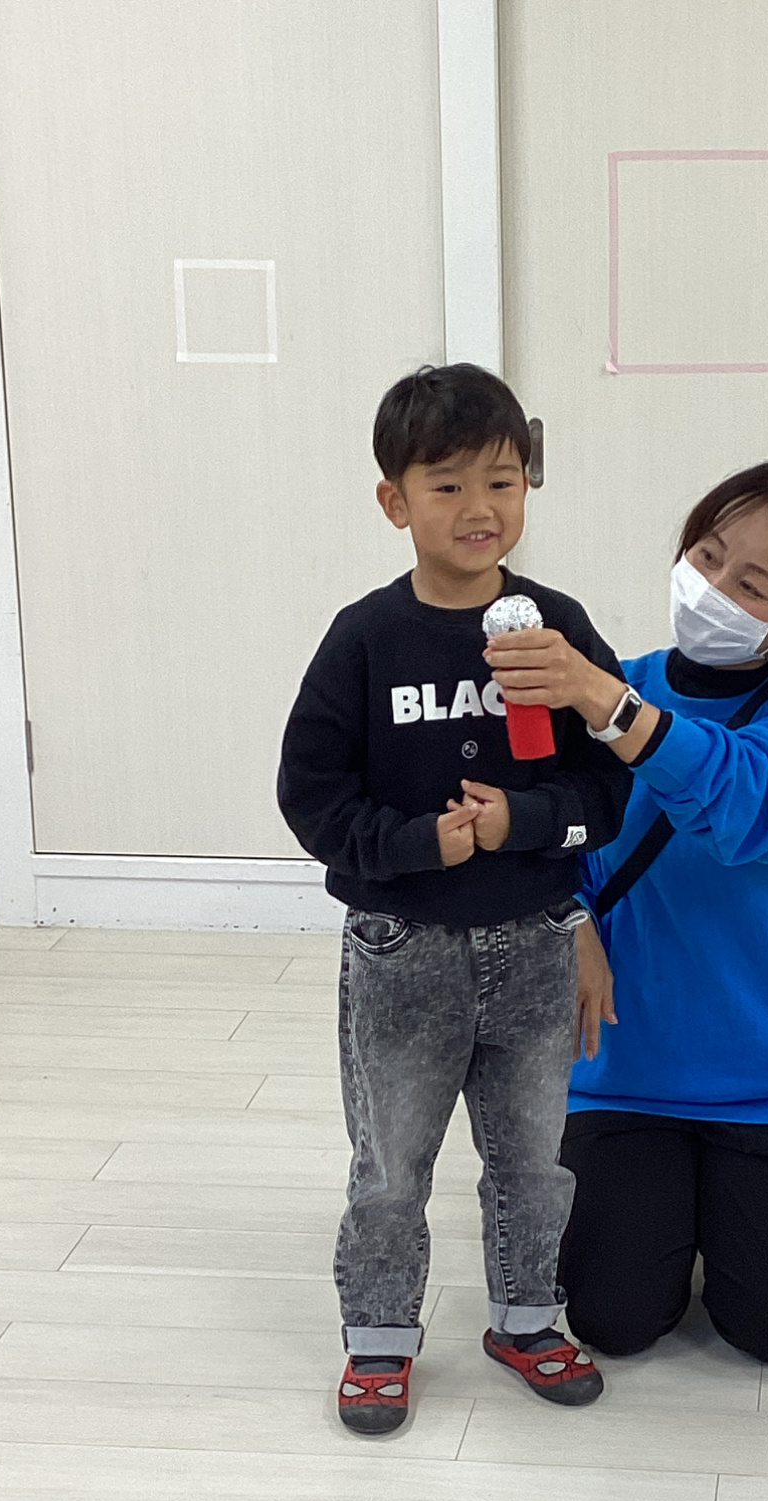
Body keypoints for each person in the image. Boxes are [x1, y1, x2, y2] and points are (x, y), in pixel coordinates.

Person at [277, 364, 632, 1434]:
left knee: (531, 1157)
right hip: (403, 946)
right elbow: (310, 793)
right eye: (448, 485)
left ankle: (527, 1316)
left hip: (536, 941)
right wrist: (411, 844)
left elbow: (607, 789)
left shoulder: (556, 628)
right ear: (395, 501)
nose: (481, 508)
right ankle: (379, 1335)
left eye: (503, 481)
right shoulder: (364, 638)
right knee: (392, 1163)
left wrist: (527, 822)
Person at [483, 458, 768, 1363]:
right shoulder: (615, 685)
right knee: (613, 1319)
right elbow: (550, 837)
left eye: (752, 585)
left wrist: (607, 704)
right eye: (708, 555)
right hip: (621, 1072)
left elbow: (744, 802)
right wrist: (572, 921)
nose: (712, 587)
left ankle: (722, 1208)